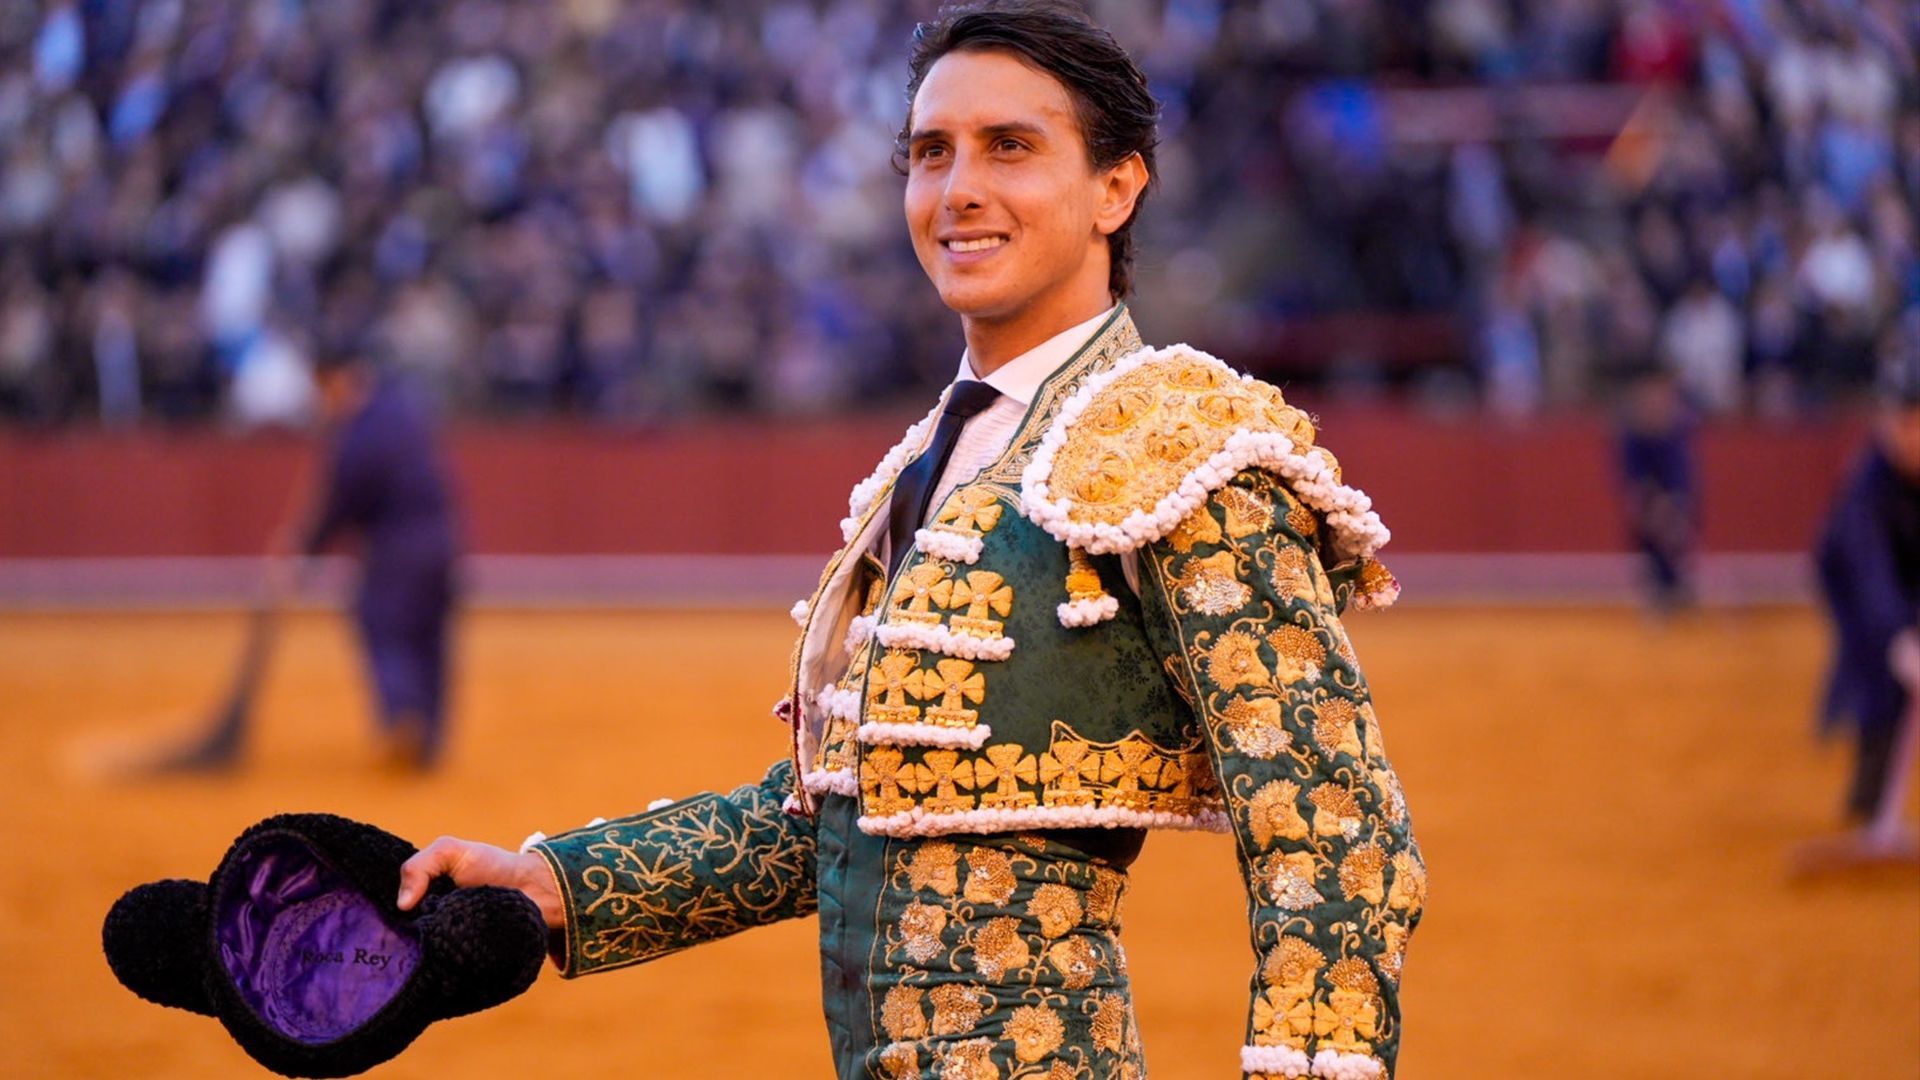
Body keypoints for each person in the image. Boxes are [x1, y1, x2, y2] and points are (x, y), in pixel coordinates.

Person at [396, 5, 1424, 1077]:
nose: (958, 189)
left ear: (1117, 190)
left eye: (1010, 148)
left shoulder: (1180, 448)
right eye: (931, 153)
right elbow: (843, 814)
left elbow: (1336, 837)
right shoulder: (935, 461)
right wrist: (557, 883)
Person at [273, 348, 462, 770]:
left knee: (382, 625)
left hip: (395, 549)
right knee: (430, 637)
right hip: (444, 542)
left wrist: (302, 550)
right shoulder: (402, 407)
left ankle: (402, 717)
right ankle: (429, 737)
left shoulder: (355, 440)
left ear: (337, 380)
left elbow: (340, 505)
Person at [1804, 354, 1920, 865]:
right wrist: (1897, 635)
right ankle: (1872, 803)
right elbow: (1866, 569)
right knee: (1879, 679)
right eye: (1907, 424)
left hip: (1908, 580)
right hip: (1853, 588)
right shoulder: (1867, 486)